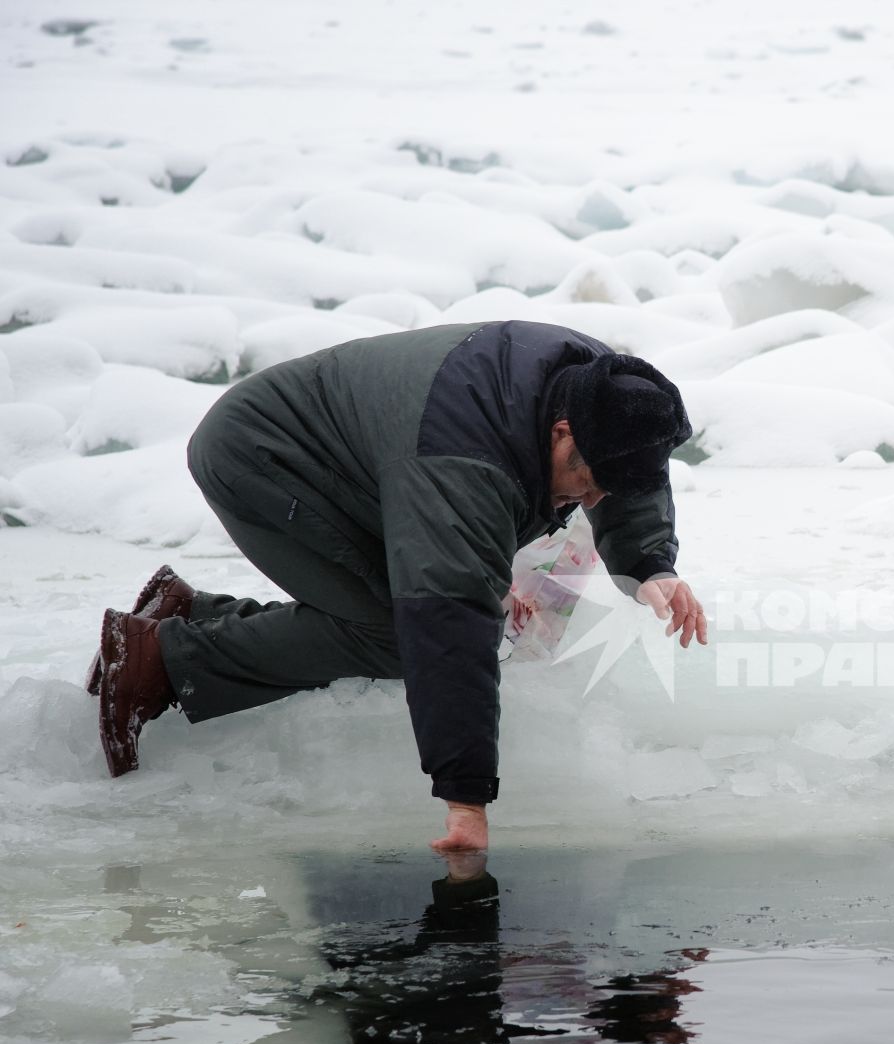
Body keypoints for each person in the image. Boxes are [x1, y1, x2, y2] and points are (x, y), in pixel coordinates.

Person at [93, 320, 709, 851]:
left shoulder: (605, 390)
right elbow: (448, 618)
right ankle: (163, 660)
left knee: (393, 610)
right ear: (562, 433)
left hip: (357, 462)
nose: (589, 502)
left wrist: (650, 562)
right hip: (266, 459)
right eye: (587, 480)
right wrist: (467, 799)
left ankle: (193, 614)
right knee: (395, 633)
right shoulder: (466, 459)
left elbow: (633, 460)